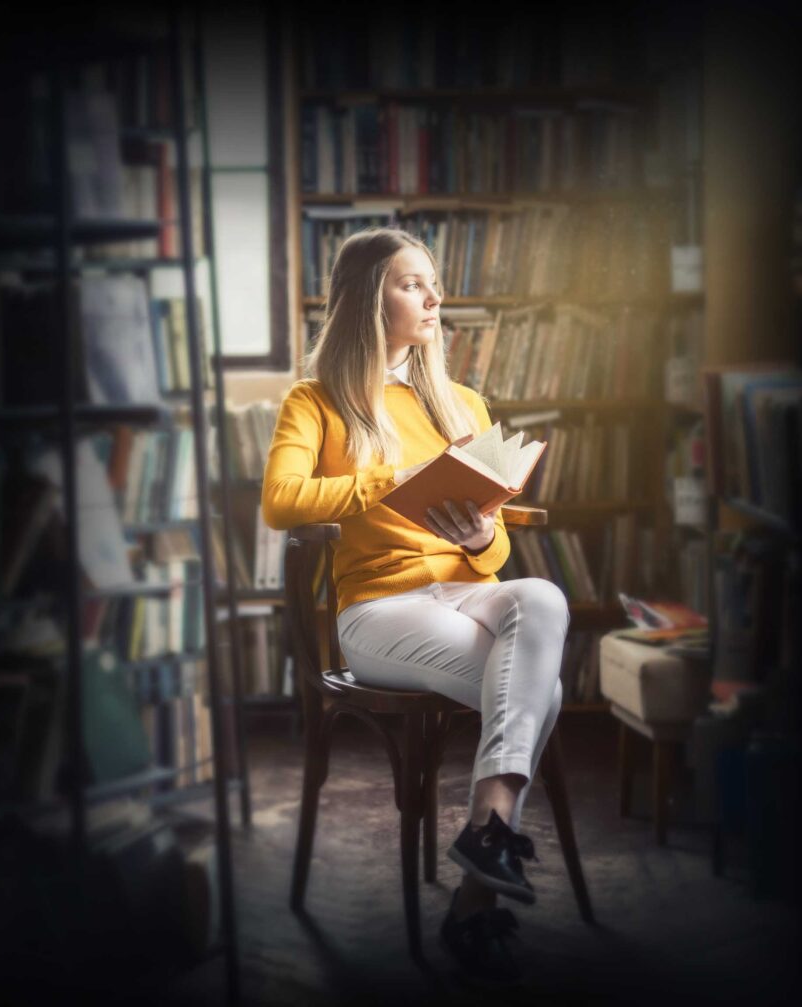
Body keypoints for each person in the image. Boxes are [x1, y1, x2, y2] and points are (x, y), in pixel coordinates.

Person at [262, 227, 569, 980]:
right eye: (412, 283)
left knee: (543, 596)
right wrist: (383, 480)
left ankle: (482, 843)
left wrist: (481, 531)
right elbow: (281, 500)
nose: (434, 297)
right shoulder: (317, 401)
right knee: (543, 690)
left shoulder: (460, 400)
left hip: (465, 591)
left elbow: (492, 555)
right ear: (371, 299)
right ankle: (477, 894)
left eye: (433, 282)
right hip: (379, 609)